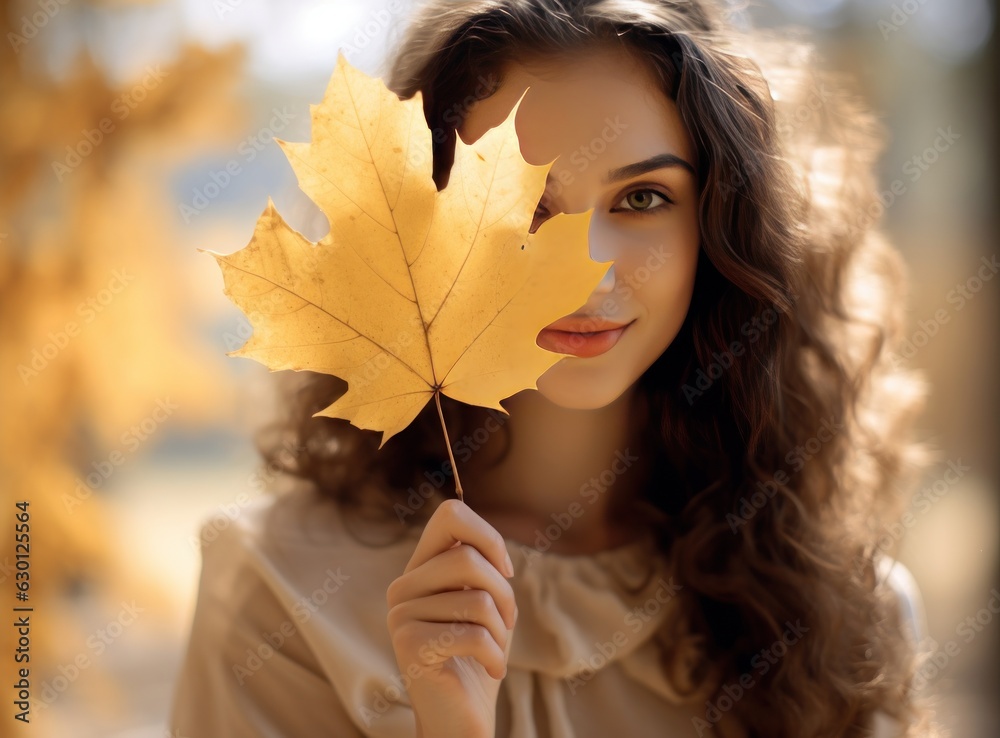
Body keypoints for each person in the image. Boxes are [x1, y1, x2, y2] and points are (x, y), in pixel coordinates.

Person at [168, 1, 942, 736]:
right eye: (529, 202)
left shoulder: (846, 616)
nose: (591, 273)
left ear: (721, 224)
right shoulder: (277, 590)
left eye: (642, 198)